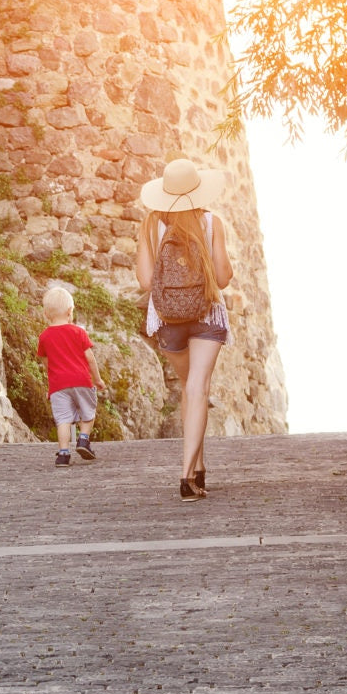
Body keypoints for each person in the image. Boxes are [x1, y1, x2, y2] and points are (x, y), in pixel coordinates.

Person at [135, 158, 234, 501]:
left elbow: (146, 281)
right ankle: (186, 475)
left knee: (189, 389)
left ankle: (200, 468)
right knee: (198, 389)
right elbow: (222, 278)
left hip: (168, 319)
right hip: (206, 312)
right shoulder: (211, 222)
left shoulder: (150, 225)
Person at [36, 286, 106, 467]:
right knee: (88, 412)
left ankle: (63, 454)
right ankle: (83, 440)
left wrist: (51, 385)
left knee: (63, 420)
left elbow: (46, 363)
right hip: (82, 380)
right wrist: (97, 379)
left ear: (45, 313)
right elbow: (90, 358)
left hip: (58, 385)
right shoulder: (79, 332)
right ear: (70, 311)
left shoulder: (44, 337)